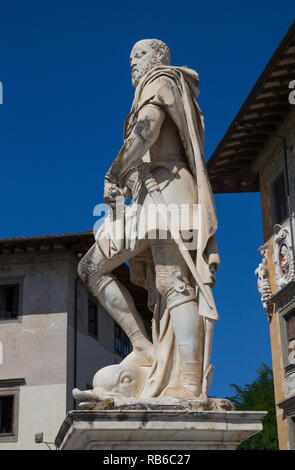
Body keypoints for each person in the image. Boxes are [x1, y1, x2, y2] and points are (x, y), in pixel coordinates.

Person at [78, 39, 220, 399]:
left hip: (168, 190)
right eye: (130, 58)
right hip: (151, 197)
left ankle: (188, 383)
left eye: (139, 55)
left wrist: (114, 172)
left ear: (158, 57)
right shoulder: (157, 87)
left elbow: (147, 130)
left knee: (173, 285)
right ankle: (146, 348)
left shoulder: (160, 80)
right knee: (94, 269)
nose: (133, 63)